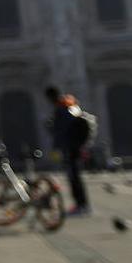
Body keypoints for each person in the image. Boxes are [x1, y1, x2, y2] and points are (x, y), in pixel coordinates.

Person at [46, 85, 92, 216]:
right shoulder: (70, 104)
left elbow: (62, 131)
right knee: (75, 177)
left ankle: (81, 206)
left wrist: (56, 147)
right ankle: (82, 205)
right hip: (75, 146)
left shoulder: (62, 109)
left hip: (71, 147)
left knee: (74, 177)